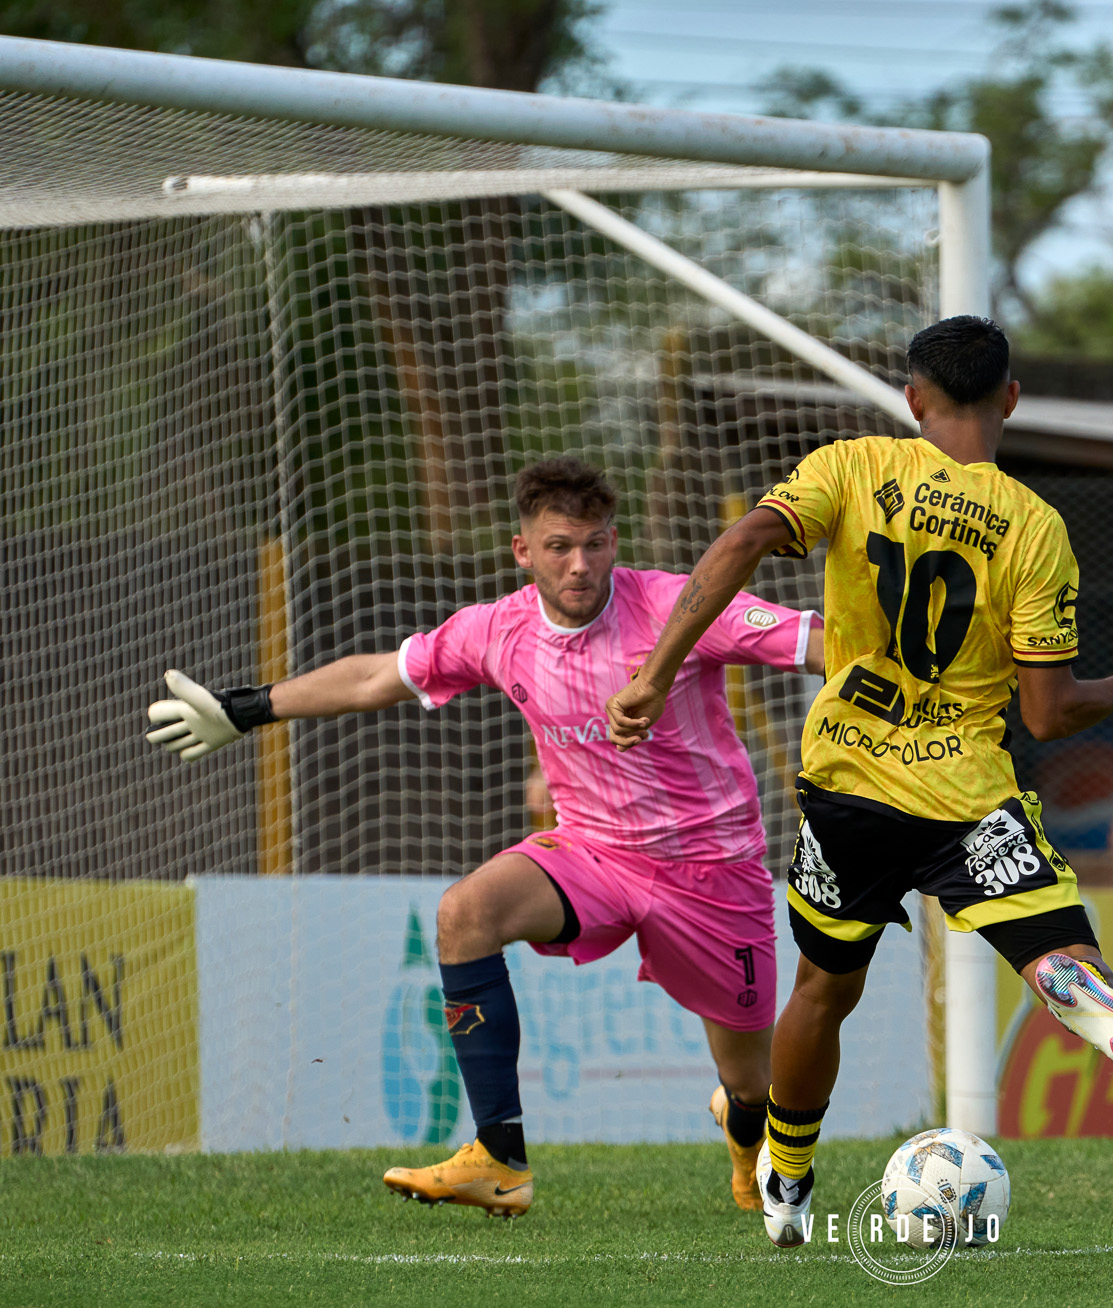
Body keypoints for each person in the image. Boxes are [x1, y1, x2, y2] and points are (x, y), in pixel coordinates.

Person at [604, 316, 1113, 1248]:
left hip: (847, 786)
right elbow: (1049, 716)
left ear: (914, 398)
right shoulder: (1036, 528)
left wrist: (652, 673)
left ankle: (789, 1178)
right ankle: (1070, 980)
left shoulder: (851, 467)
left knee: (821, 992)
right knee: (1049, 936)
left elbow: (745, 541)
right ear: (1011, 398)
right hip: (967, 796)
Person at [144, 457, 825, 1217]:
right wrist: (249, 708)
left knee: (748, 1081)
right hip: (591, 853)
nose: (581, 564)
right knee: (464, 914)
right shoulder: (498, 630)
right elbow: (377, 677)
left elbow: (809, 641)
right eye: (561, 546)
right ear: (522, 551)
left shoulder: (677, 605)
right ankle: (500, 1157)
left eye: (597, 544)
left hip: (711, 869)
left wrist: (924, 677)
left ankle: (742, 1128)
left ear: (615, 542)